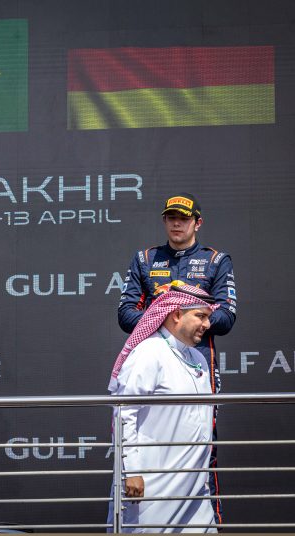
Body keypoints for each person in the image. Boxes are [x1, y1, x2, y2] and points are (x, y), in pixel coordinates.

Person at [117, 193, 235, 521]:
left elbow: (226, 317)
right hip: (155, 361)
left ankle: (208, 523)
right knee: (147, 432)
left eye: (184, 218)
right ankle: (144, 518)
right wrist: (165, 316)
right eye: (171, 218)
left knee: (203, 445)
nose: (177, 224)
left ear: (197, 222)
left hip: (199, 363)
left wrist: (192, 314)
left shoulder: (215, 260)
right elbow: (125, 313)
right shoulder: (145, 259)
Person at [108, 282, 219, 533]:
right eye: (200, 316)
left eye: (208, 317)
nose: (207, 324)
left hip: (195, 488)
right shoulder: (149, 353)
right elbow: (124, 414)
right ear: (176, 314)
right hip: (152, 485)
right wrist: (131, 471)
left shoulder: (198, 359)